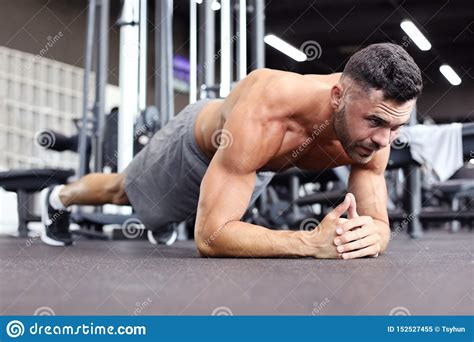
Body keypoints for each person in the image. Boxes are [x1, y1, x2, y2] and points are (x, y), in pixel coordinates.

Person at [40, 43, 422, 259]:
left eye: (396, 127)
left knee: (177, 213)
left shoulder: (375, 132)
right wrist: (309, 242)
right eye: (375, 122)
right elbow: (210, 238)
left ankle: (168, 217)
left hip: (253, 166)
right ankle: (57, 197)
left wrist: (375, 235)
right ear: (338, 97)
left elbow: (379, 224)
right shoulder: (269, 109)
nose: (384, 141)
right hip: (197, 147)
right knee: (123, 192)